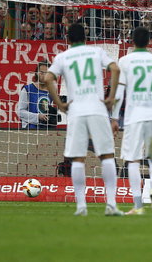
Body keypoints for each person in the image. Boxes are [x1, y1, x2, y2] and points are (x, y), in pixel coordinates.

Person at [45, 23, 123, 217]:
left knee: (78, 159)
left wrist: (59, 104)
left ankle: (81, 207)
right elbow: (115, 69)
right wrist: (111, 97)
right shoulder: (97, 52)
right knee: (106, 156)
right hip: (97, 108)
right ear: (86, 36)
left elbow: (47, 78)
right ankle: (111, 205)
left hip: (76, 111)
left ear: (68, 39)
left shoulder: (63, 57)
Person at [112, 27, 152, 215]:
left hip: (134, 117)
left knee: (132, 160)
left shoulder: (125, 61)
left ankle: (138, 205)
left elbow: (119, 91)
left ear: (132, 40)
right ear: (149, 40)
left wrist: (114, 117)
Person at [17, 59, 57, 129]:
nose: (44, 75)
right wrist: (38, 117)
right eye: (41, 72)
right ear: (36, 73)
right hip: (29, 130)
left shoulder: (51, 92)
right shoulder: (27, 89)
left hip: (45, 131)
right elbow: (20, 112)